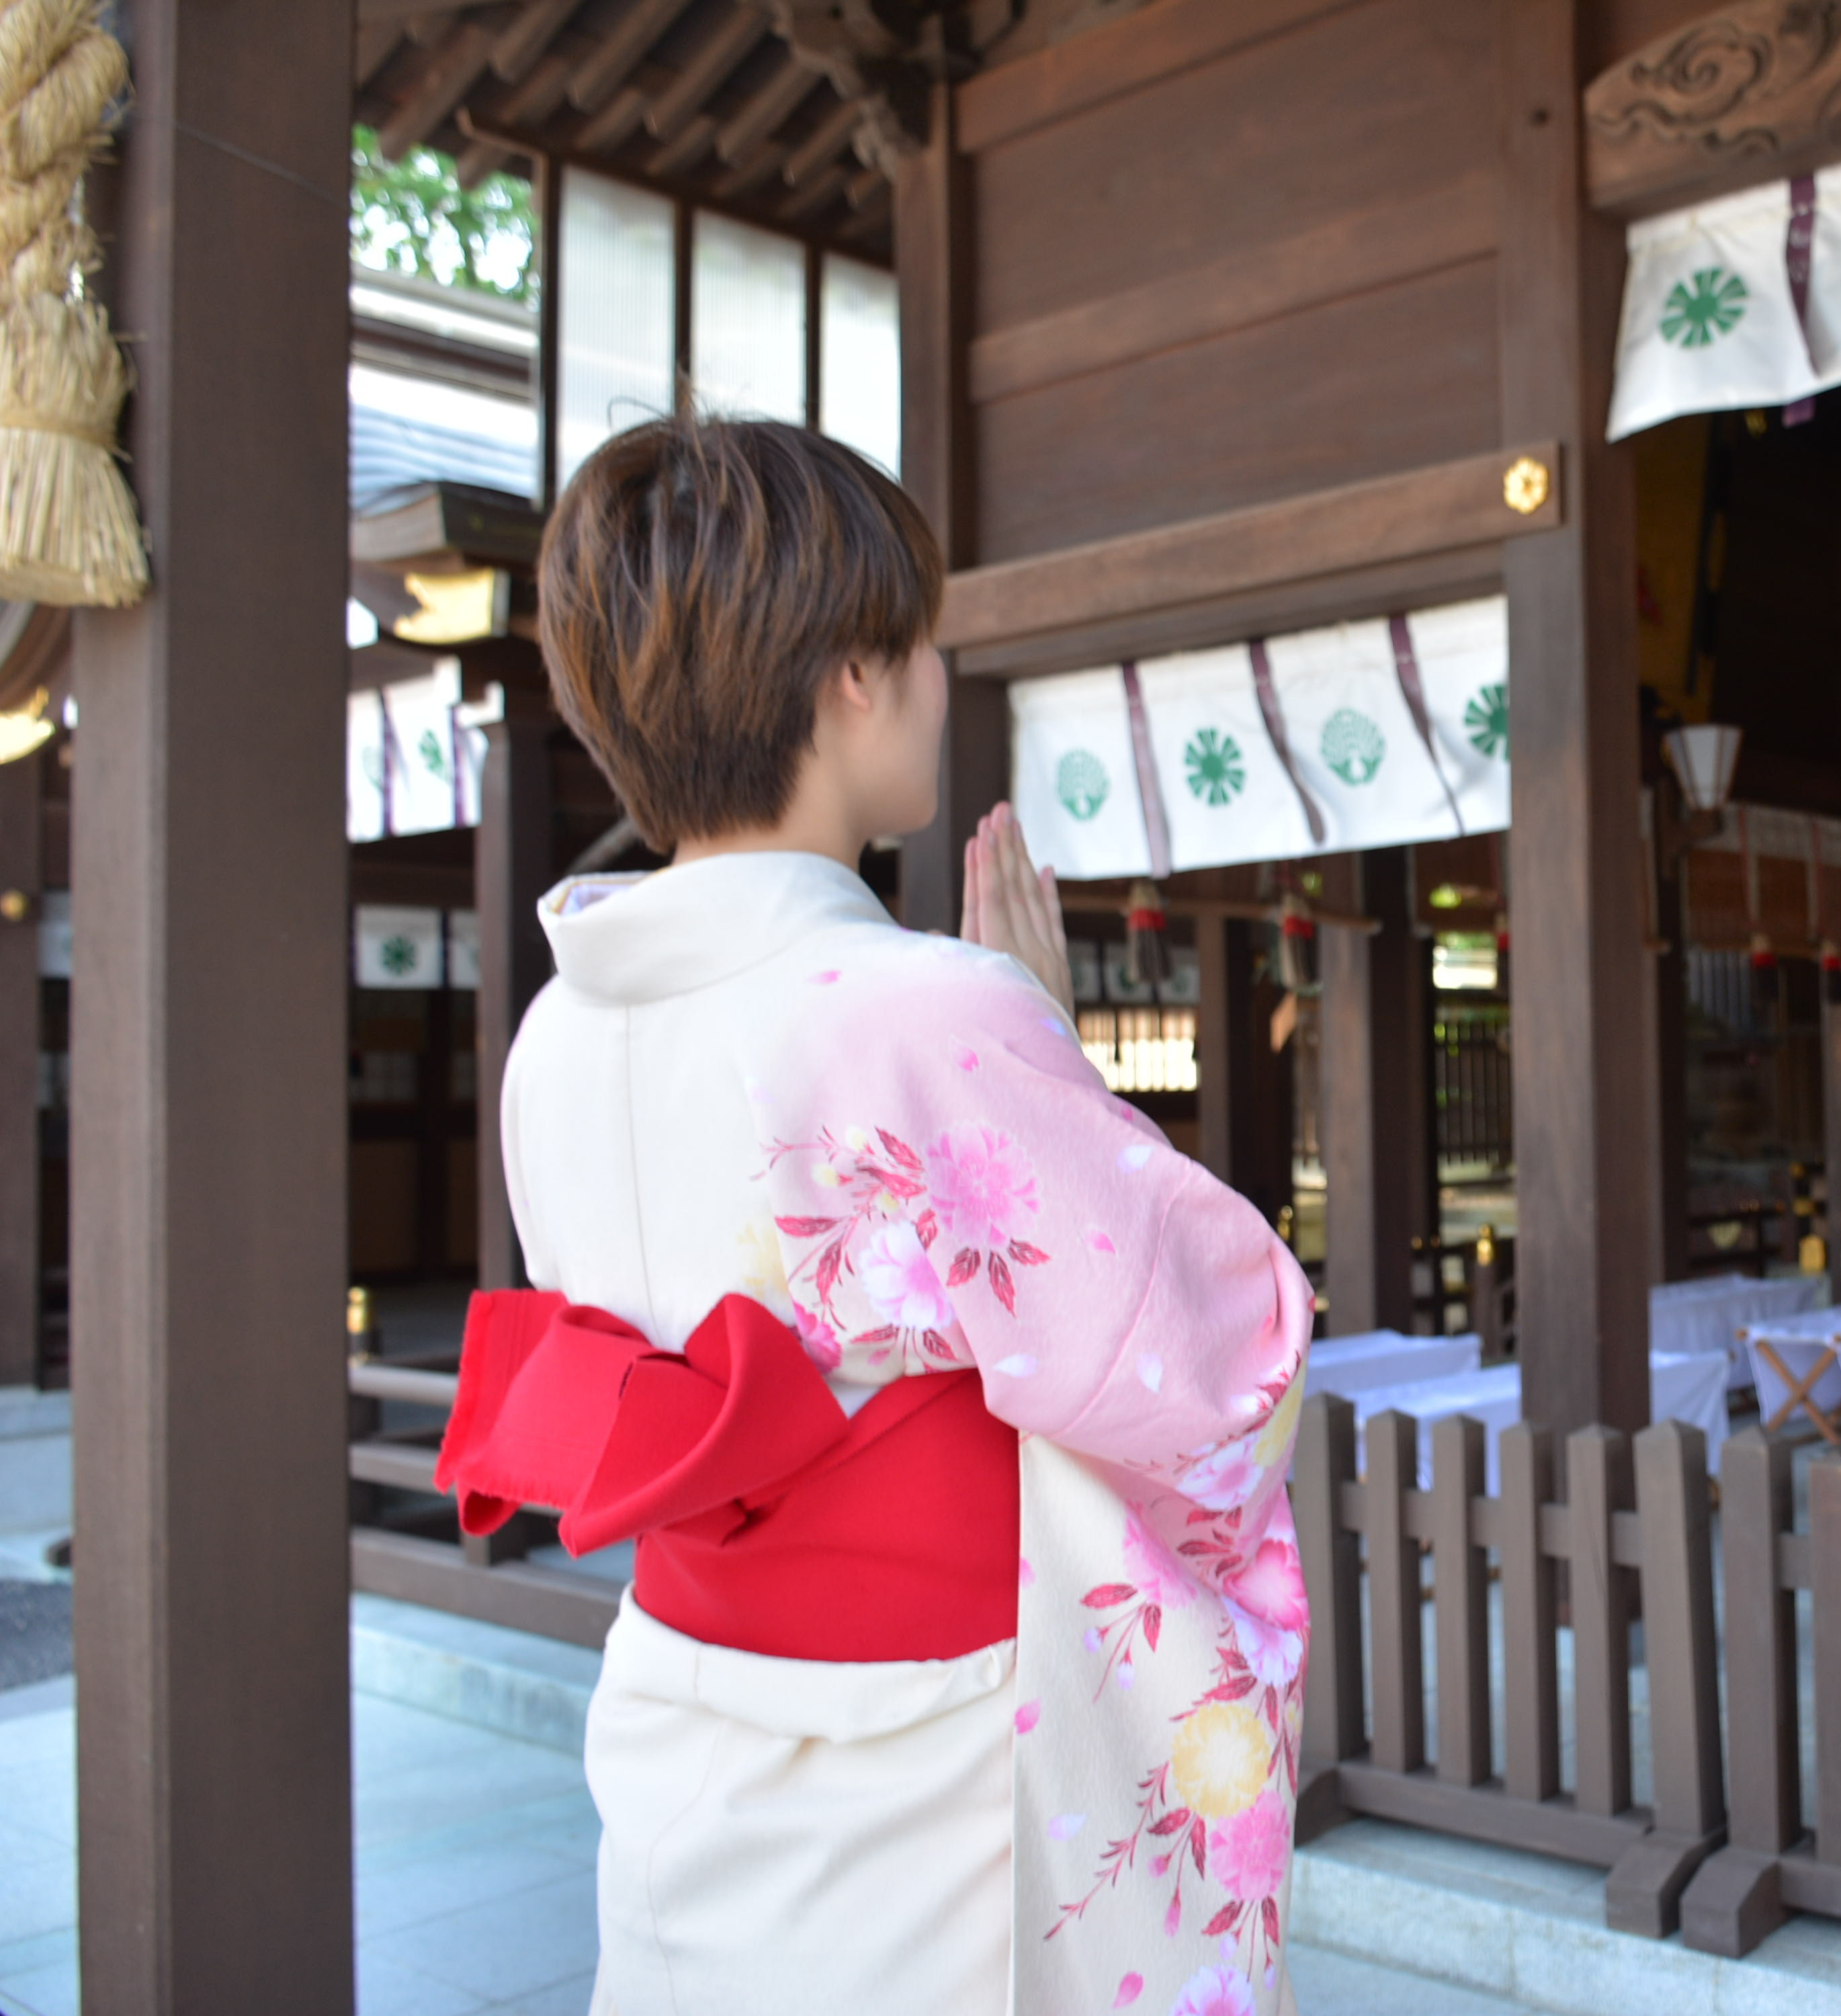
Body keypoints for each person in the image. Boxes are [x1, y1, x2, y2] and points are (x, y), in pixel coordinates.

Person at [435, 418, 1312, 2016]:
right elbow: (1196, 1351)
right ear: (848, 676)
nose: (932, 681)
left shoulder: (554, 1037)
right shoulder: (913, 1009)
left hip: (684, 1707)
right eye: (917, 647)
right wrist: (1054, 1056)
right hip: (922, 1756)